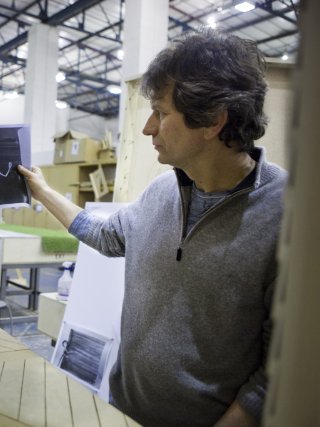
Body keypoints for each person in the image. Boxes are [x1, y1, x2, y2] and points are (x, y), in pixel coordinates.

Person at [18, 28, 287, 427]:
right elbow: (105, 235)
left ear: (213, 120)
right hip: (122, 412)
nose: (147, 128)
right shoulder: (162, 192)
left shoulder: (288, 215)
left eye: (161, 113)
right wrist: (42, 191)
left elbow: (279, 369)